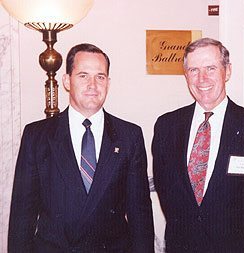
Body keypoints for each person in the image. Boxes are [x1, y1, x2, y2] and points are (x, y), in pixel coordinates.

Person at [8, 43, 154, 253]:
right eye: (83, 75)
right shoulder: (37, 136)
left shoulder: (129, 136)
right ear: (67, 81)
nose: (93, 85)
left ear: (108, 83)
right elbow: (22, 215)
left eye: (100, 77)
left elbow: (140, 214)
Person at [152, 37, 244, 252]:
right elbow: (166, 190)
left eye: (211, 68)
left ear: (227, 71)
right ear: (186, 75)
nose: (202, 78)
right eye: (194, 70)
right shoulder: (166, 126)